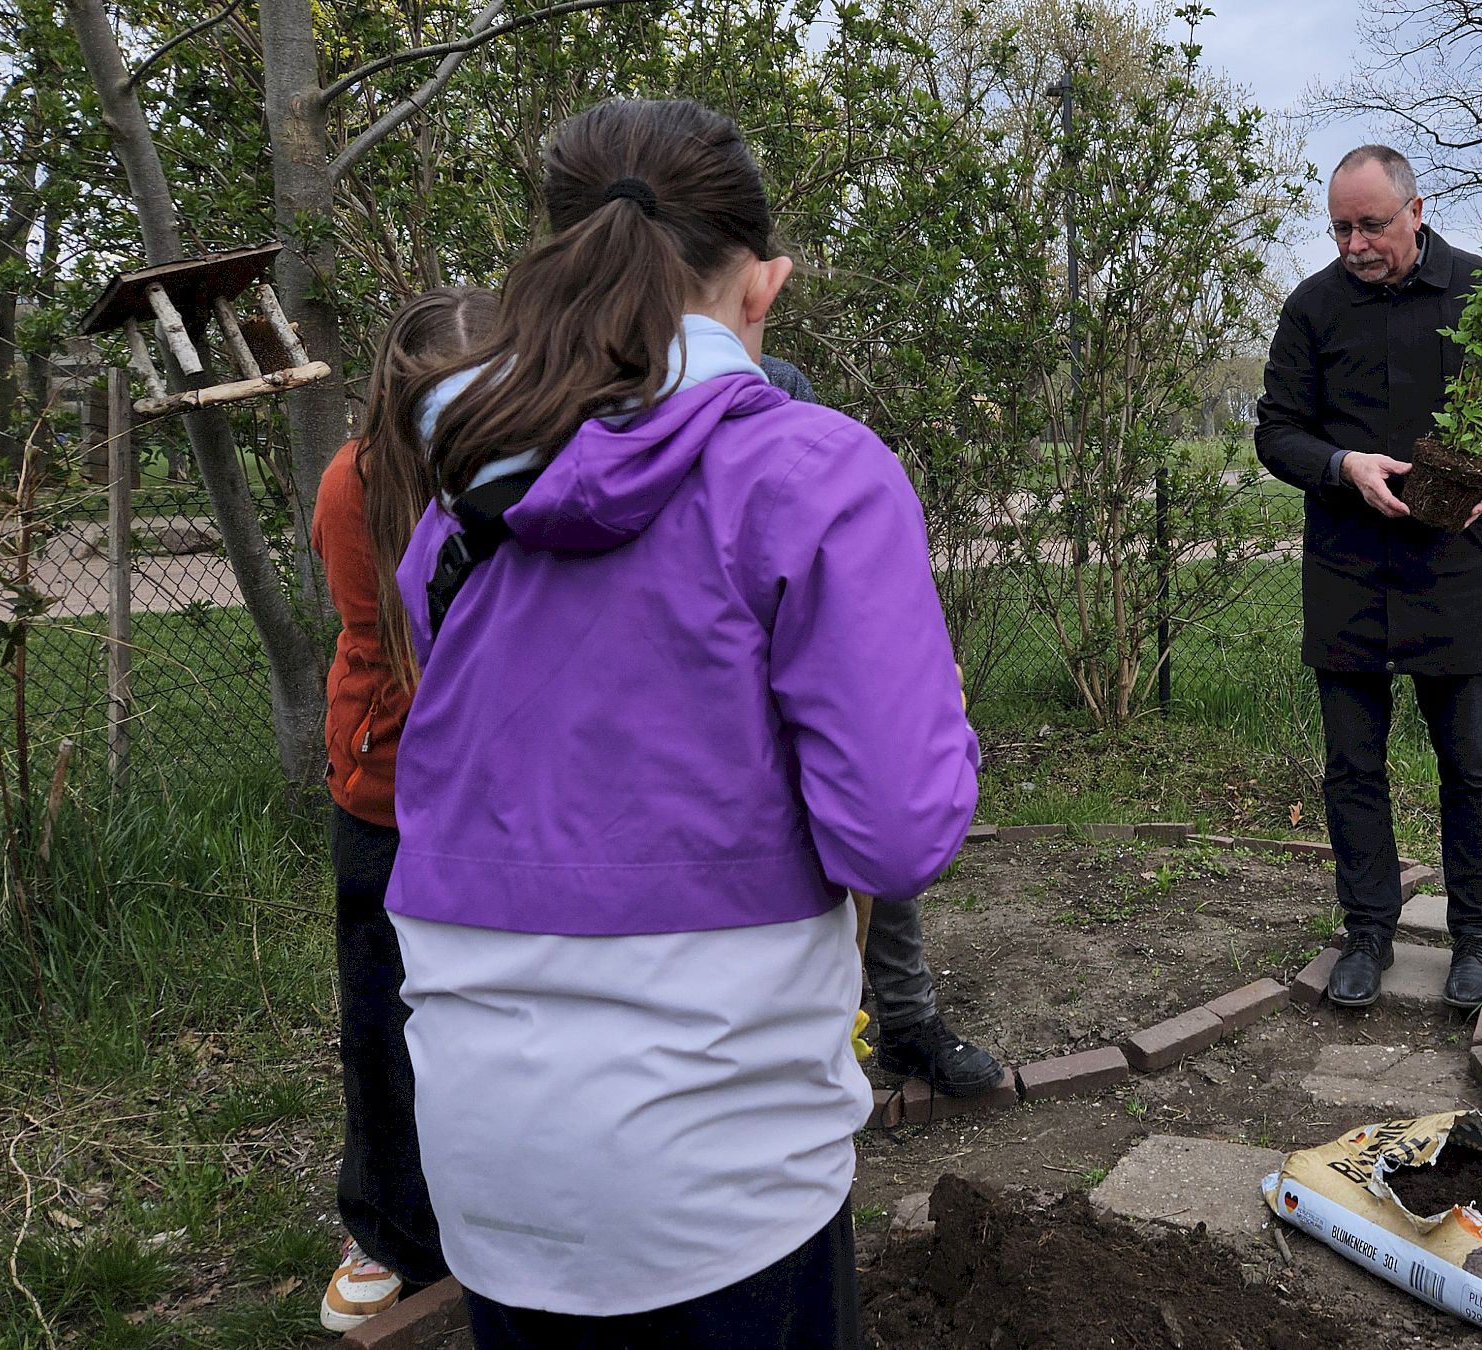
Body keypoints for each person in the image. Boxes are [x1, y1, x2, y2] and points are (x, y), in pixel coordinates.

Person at [385, 99, 978, 1347]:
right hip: (726, 1173)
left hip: (489, 1166)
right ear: (764, 287)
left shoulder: (463, 496)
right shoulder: (814, 470)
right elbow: (894, 836)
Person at [1254, 145, 1482, 1011]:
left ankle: (1474, 936)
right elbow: (1278, 432)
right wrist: (1344, 464)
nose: (1356, 244)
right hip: (1347, 569)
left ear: (1416, 211)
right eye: (1341, 228)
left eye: (1372, 225)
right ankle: (1370, 932)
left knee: (1471, 763)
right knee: (1353, 765)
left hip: (1450, 567)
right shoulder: (1311, 307)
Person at [311, 285, 496, 1332]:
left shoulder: (527, 467)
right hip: (387, 791)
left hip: (490, 795)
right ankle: (385, 1230)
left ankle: (487, 1204)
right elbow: (421, 657)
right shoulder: (356, 486)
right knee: (382, 1015)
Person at [759, 351, 1002, 1096]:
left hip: (813, 678)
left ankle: (905, 1023)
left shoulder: (810, 460)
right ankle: (812, 1037)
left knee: (876, 815)